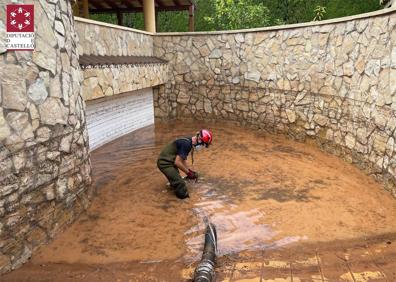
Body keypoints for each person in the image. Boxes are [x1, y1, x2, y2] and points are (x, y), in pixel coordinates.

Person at [157, 129, 213, 199]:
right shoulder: (186, 144)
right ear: (199, 140)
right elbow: (177, 162)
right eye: (203, 144)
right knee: (180, 183)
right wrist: (188, 173)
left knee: (175, 180)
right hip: (165, 163)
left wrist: (189, 171)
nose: (202, 146)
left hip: (170, 161)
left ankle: (171, 194)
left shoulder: (189, 141)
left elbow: (182, 160)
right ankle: (184, 202)